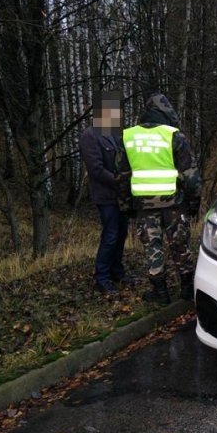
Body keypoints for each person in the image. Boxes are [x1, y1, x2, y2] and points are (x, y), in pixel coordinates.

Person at [117, 93, 200, 304]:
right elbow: (190, 175)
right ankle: (187, 289)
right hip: (174, 203)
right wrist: (193, 203)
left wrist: (125, 206)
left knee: (152, 248)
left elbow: (122, 177)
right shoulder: (174, 136)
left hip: (144, 206)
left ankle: (160, 292)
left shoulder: (128, 137)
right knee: (179, 245)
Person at [80, 90, 132, 294]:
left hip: (121, 196)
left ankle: (116, 271)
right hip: (106, 196)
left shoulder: (115, 134)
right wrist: (119, 181)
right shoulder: (90, 136)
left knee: (121, 234)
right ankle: (101, 277)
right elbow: (96, 170)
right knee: (110, 235)